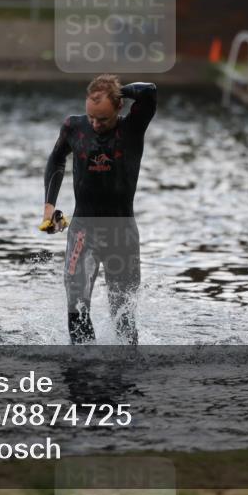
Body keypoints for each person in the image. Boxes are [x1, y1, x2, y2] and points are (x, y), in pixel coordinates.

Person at [42, 75, 157, 345]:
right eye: (92, 117)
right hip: (83, 231)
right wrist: (49, 207)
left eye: (103, 119)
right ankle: (82, 372)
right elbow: (57, 158)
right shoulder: (74, 127)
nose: (96, 124)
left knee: (124, 317)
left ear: (119, 108)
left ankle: (123, 378)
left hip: (122, 234)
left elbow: (149, 92)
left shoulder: (133, 127)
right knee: (76, 307)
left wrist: (119, 91)